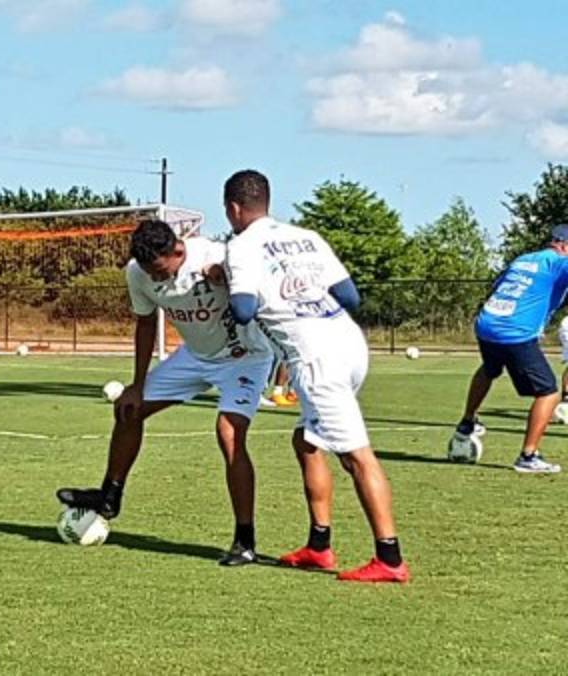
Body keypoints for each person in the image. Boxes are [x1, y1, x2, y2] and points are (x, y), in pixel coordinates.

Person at [224, 169, 409, 583]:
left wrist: (230, 280)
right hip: (349, 343)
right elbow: (349, 296)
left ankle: (390, 559)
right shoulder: (306, 236)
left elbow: (243, 310)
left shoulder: (240, 247)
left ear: (233, 209)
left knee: (356, 456)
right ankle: (319, 546)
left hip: (315, 359)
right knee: (307, 440)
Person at [57, 220, 274, 566]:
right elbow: (146, 323)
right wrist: (137, 384)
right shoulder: (137, 272)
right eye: (149, 273)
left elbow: (264, 287)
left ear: (176, 251)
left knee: (228, 434)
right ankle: (109, 496)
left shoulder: (217, 255)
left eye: (160, 271)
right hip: (194, 356)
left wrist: (230, 278)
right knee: (129, 409)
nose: (155, 280)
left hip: (244, 358)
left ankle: (244, 541)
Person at [449, 225, 568, 474]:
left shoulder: (524, 259)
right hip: (515, 331)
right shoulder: (558, 263)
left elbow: (498, 285)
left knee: (490, 369)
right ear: (564, 246)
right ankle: (528, 456)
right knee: (548, 393)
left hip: (487, 324)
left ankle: (467, 423)